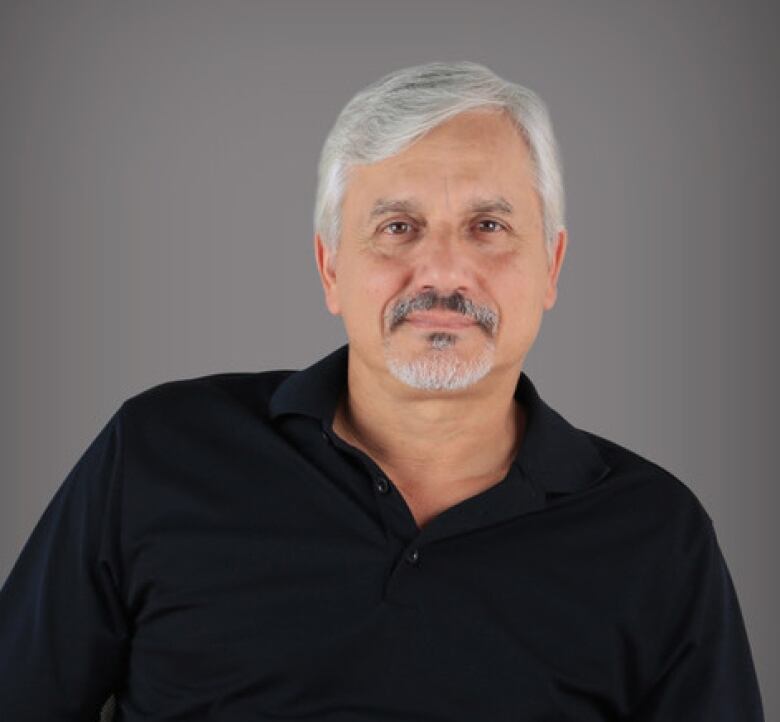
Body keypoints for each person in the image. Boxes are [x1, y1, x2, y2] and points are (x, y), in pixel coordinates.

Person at [0, 61, 764, 721]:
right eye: (397, 227)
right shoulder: (159, 453)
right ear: (331, 268)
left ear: (553, 266)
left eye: (488, 226)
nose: (440, 272)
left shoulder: (655, 536)